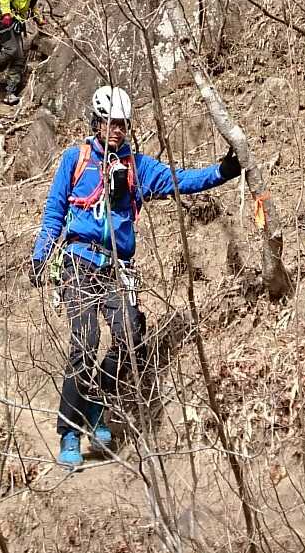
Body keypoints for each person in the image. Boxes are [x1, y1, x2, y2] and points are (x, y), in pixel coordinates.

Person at [30, 84, 242, 470]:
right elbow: (54, 212)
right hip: (78, 260)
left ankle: (94, 404)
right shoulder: (75, 160)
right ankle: (69, 433)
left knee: (129, 336)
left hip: (116, 267)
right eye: (110, 122)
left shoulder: (137, 168)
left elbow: (180, 180)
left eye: (122, 124)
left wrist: (223, 172)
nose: (117, 130)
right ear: (96, 122)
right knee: (86, 340)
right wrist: (40, 255)